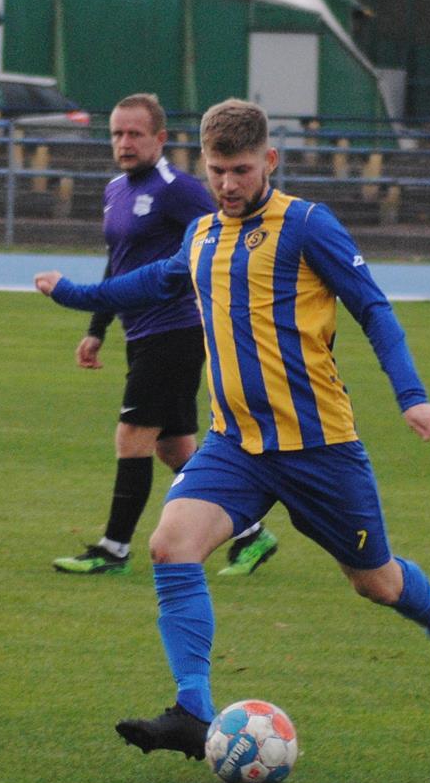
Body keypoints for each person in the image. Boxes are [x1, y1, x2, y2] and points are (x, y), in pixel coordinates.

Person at [34, 98, 430, 759]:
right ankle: (193, 709)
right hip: (236, 446)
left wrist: (413, 397)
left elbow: (374, 309)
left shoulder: (308, 225)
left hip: (319, 448)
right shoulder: (201, 236)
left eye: (242, 170)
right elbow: (138, 285)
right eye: (217, 170)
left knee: (377, 583)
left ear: (270, 161)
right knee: (170, 545)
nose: (227, 184)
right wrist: (72, 293)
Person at [52, 92, 277, 578]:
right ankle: (252, 534)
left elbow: (220, 236)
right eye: (116, 133)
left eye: (135, 133)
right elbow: (118, 262)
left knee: (132, 436)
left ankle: (113, 549)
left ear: (160, 138)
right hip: (140, 332)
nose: (124, 142)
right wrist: (97, 330)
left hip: (176, 331)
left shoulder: (179, 189)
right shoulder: (115, 189)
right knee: (174, 447)